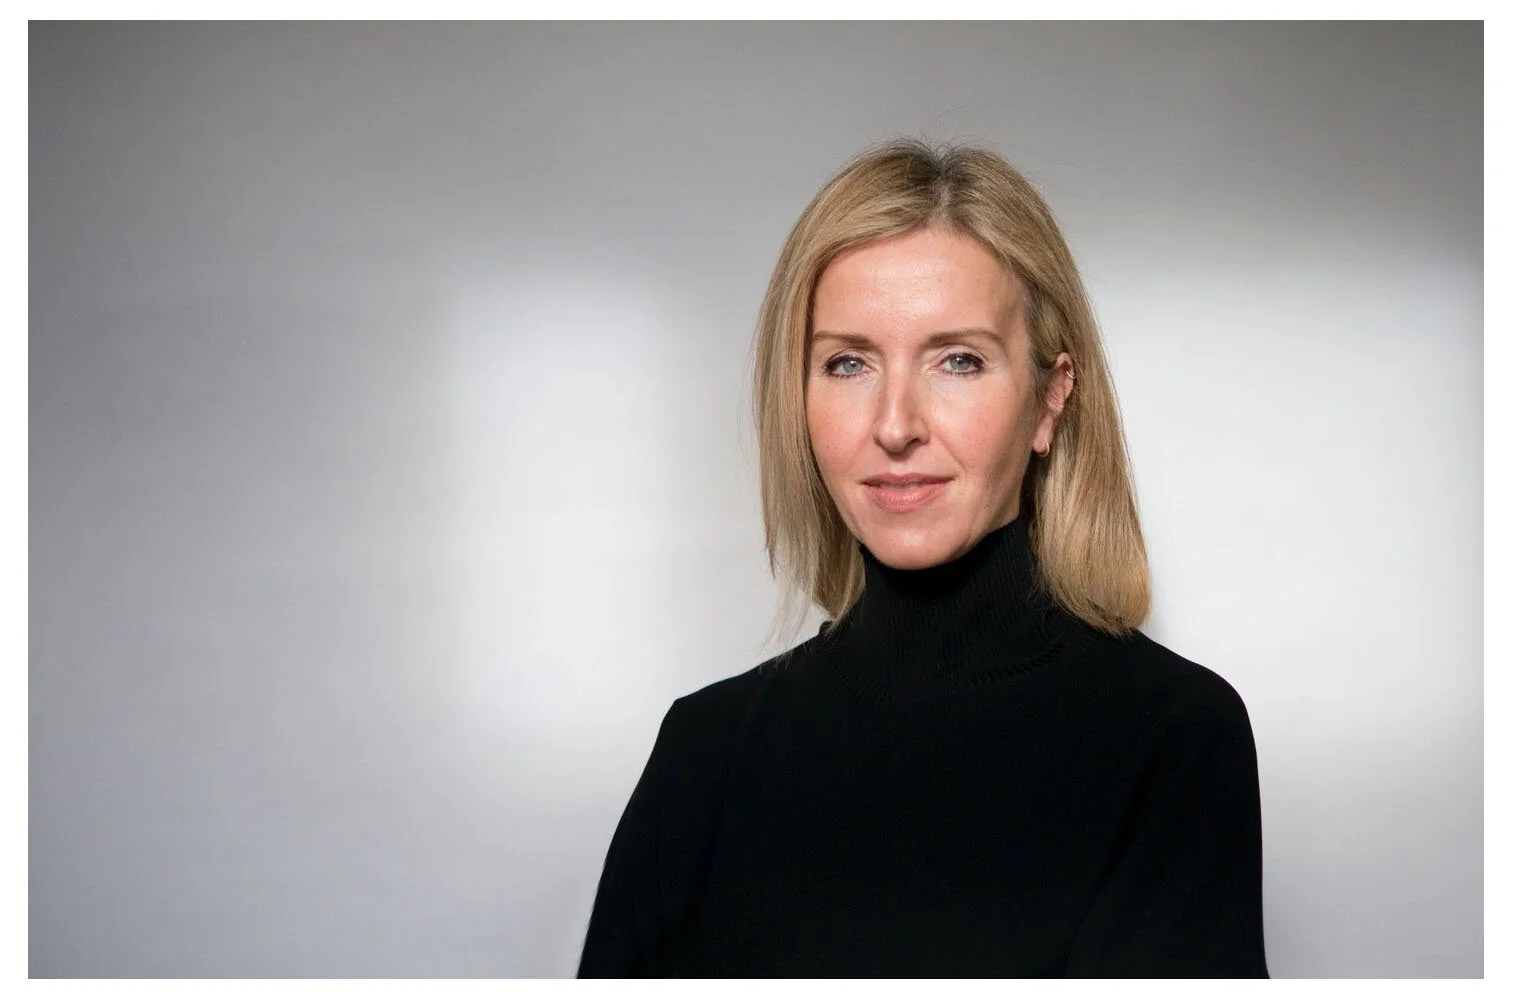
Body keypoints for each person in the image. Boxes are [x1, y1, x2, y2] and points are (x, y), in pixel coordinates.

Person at [576, 139, 1268, 978]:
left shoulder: (1172, 738)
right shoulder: (705, 752)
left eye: (958, 360)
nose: (896, 424)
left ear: (1050, 400)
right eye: (848, 362)